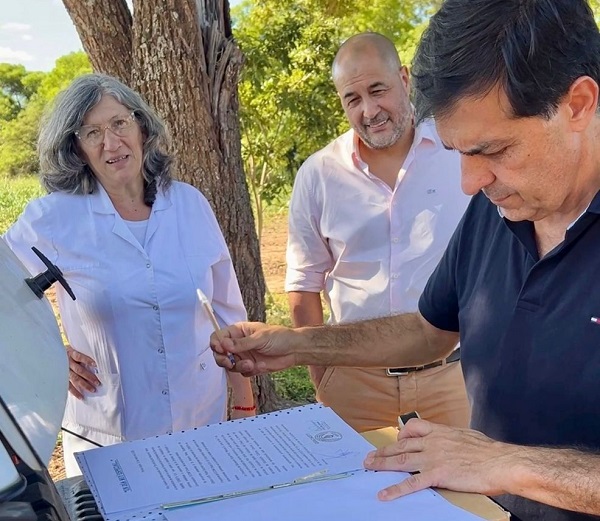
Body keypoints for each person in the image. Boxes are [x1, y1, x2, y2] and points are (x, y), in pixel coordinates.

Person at [211, 0, 600, 519]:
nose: (470, 182)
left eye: (493, 150)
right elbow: (429, 329)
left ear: (577, 104)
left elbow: (497, 461)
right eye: (459, 152)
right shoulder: (497, 206)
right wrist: (300, 343)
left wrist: (507, 465)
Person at [4, 73, 255, 477]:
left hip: (200, 422)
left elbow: (228, 317)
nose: (111, 143)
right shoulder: (53, 219)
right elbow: (4, 295)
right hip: (109, 439)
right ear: (76, 148)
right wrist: (47, 354)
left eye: (119, 123)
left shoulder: (190, 205)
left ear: (142, 127)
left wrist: (243, 401)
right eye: (92, 133)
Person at [286, 32, 470, 432]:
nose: (369, 110)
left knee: (467, 476)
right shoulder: (318, 175)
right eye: (352, 99)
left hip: (453, 380)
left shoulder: (458, 150)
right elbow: (304, 284)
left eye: (377, 90)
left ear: (403, 78)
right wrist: (324, 377)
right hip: (355, 386)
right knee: (354, 476)